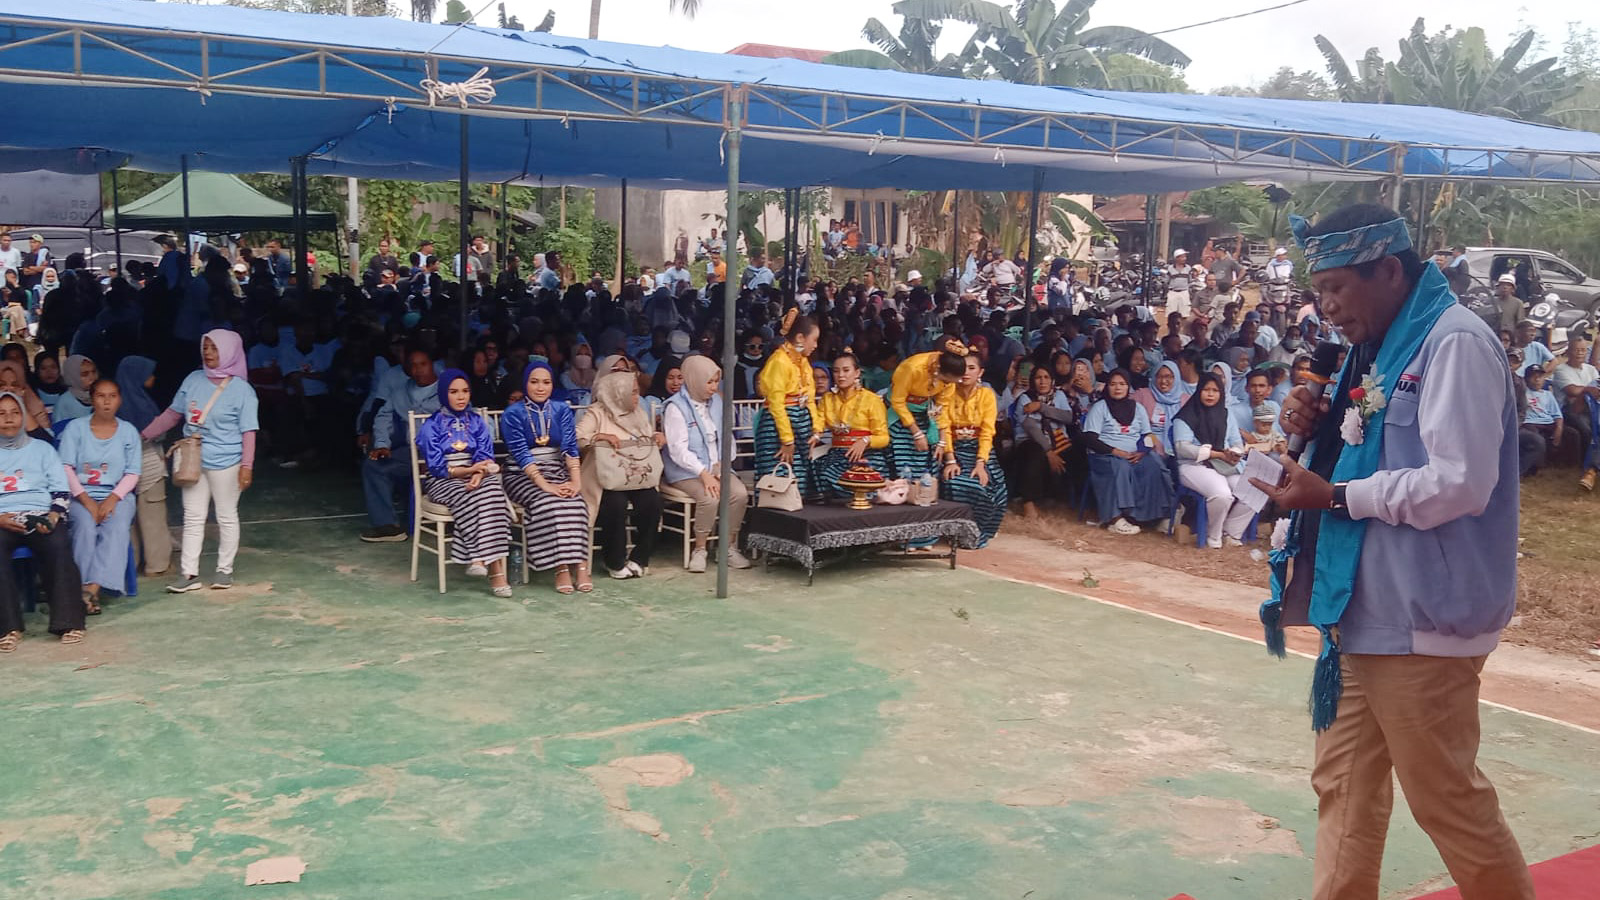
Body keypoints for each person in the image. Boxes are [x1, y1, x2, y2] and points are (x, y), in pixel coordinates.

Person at [1254, 204, 1533, 900]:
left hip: (1422, 621)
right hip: (1358, 610)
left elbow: (1460, 482)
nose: (1327, 308)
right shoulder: (1374, 349)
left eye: (1338, 289)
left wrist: (1338, 496)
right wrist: (1311, 427)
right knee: (1342, 788)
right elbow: (1367, 445)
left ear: (1388, 271)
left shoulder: (1454, 342)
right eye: (1319, 291)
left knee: (1444, 800)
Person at [142, 330, 259, 593]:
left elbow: (248, 432)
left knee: (226, 516)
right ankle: (189, 574)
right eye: (205, 347)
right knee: (193, 517)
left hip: (227, 461)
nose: (207, 352)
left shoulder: (242, 390)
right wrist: (144, 434)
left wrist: (247, 466)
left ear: (229, 351)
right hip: (192, 459)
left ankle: (224, 571)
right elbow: (173, 414)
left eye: (214, 348)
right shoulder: (193, 379)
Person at [0, 392, 84, 652]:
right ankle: (8, 627)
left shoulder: (42, 449)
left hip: (40, 515)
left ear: (24, 416)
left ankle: (68, 622)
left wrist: (53, 516)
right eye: (1, 414)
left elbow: (60, 490)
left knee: (58, 545)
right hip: (2, 518)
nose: (8, 419)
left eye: (14, 412)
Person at [416, 370, 512, 597]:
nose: (461, 397)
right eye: (453, 392)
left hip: (476, 476)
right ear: (443, 394)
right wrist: (470, 471)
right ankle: (495, 571)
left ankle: (479, 557)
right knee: (481, 497)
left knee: (493, 490)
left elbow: (485, 453)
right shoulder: (432, 425)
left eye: (465, 391)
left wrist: (478, 474)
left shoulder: (477, 421)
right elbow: (436, 466)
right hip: (443, 480)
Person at [501, 361, 592, 594]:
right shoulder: (513, 413)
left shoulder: (561, 409)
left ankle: (581, 566)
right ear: (525, 384)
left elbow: (570, 447)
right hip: (520, 474)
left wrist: (575, 483)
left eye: (546, 382)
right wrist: (546, 486)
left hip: (557, 468)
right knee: (549, 503)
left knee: (577, 503)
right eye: (534, 382)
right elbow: (521, 454)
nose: (540, 387)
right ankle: (560, 568)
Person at [661, 354, 751, 573]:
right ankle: (699, 549)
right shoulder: (675, 407)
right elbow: (677, 449)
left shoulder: (718, 403)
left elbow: (727, 436)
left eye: (715, 381)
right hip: (686, 471)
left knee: (739, 495)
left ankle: (728, 548)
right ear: (693, 379)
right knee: (710, 497)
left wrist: (721, 465)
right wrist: (704, 473)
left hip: (717, 467)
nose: (713, 387)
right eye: (708, 382)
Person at [58, 379, 142, 612]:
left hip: (117, 495)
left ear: (120, 400)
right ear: (91, 399)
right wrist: (87, 501)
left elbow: (133, 472)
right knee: (84, 526)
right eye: (101, 396)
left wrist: (112, 499)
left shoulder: (128, 432)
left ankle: (91, 590)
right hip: (79, 495)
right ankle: (81, 585)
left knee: (116, 526)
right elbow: (65, 467)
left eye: (112, 396)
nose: (107, 401)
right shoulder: (75, 429)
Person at [577, 370, 663, 580]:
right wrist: (599, 436)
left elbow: (645, 437)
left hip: (636, 475)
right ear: (619, 392)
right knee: (615, 504)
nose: (636, 397)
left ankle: (640, 558)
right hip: (606, 478)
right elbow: (577, 437)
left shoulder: (638, 411)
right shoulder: (596, 412)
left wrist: (656, 437)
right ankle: (614, 562)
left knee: (652, 501)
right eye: (632, 393)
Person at [360, 349, 440, 542]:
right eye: (413, 365)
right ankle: (387, 526)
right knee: (374, 466)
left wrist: (436, 457)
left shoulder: (449, 388)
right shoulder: (402, 390)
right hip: (411, 452)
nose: (418, 370)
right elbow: (383, 416)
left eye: (423, 364)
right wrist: (381, 444)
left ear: (432, 365)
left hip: (442, 454)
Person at [1081, 369, 1173, 535]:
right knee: (1120, 467)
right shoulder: (1100, 407)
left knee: (1154, 465)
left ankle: (1153, 517)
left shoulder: (1138, 408)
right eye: (1113, 384)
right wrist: (1116, 451)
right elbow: (1090, 438)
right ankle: (1115, 519)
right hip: (1105, 454)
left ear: (1128, 387)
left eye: (1122, 384)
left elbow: (1148, 436)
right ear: (1107, 387)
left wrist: (1142, 452)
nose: (1118, 388)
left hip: (1134, 454)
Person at [1171, 373, 1253, 549]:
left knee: (1254, 489)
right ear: (1199, 391)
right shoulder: (1185, 415)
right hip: (1193, 465)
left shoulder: (1226, 413)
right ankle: (1213, 535)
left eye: (1215, 390)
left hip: (1225, 465)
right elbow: (1182, 448)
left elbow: (1236, 441)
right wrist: (1215, 454)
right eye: (1206, 390)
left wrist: (1235, 453)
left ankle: (1231, 532)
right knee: (1222, 494)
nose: (1210, 394)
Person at [941, 352, 1007, 546]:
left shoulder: (987, 395)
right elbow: (944, 426)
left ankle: (977, 530)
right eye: (963, 368)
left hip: (980, 451)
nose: (966, 372)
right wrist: (950, 460)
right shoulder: (947, 392)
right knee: (955, 482)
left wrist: (981, 463)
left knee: (991, 488)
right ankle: (955, 531)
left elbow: (987, 431)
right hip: (953, 451)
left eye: (972, 368)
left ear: (981, 372)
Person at [754, 312, 821, 499]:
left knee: (799, 476)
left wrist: (816, 428)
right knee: (775, 472)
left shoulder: (804, 363)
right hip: (777, 426)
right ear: (800, 338)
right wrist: (787, 439)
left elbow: (810, 397)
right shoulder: (779, 361)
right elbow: (776, 403)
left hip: (800, 422)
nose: (816, 345)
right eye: (814, 340)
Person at [115, 355, 170, 576]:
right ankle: (157, 565)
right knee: (153, 516)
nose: (153, 377)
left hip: (120, 470)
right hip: (149, 464)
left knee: (129, 521)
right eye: (148, 373)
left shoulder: (117, 404)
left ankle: (131, 563)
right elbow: (159, 432)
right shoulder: (144, 404)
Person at [814, 351, 890, 497]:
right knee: (824, 473)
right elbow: (819, 421)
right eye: (836, 371)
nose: (841, 375)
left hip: (867, 454)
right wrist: (816, 435)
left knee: (864, 478)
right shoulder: (828, 399)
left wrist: (865, 441)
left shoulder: (871, 400)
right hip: (837, 454)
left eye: (846, 370)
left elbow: (883, 437)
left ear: (857, 373)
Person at [888, 339, 964, 482]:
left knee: (932, 448)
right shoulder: (912, 368)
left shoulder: (949, 377)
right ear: (938, 369)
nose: (948, 385)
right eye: (946, 381)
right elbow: (898, 401)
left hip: (925, 412)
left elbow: (942, 407)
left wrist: (942, 440)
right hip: (900, 413)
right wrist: (916, 433)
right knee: (902, 446)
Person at [1550, 337, 1600, 490]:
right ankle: (1587, 467)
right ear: (1568, 352)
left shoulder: (1590, 369)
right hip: (1566, 411)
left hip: (1590, 409)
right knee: (1588, 429)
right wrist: (1587, 389)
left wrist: (1587, 390)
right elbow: (1572, 391)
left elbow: (1596, 391)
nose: (1580, 353)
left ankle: (1592, 469)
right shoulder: (1561, 370)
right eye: (1576, 350)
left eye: (1583, 350)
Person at [0, 361, 52, 440]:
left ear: (23, 388)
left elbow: (46, 443)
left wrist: (21, 407)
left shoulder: (36, 407)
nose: (8, 389)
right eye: (2, 385)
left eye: (15, 385)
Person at [51, 354, 98, 423]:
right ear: (73, 376)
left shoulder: (101, 395)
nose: (92, 378)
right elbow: (59, 428)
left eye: (93, 372)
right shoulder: (64, 402)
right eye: (85, 374)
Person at [1166, 249, 1191, 318]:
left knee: (1184, 313)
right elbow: (1167, 281)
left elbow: (1190, 280)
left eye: (1185, 257)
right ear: (1177, 258)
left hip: (1184, 292)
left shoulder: (1188, 268)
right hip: (1173, 292)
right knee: (1171, 314)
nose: (1184, 258)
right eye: (1182, 257)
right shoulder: (1170, 268)